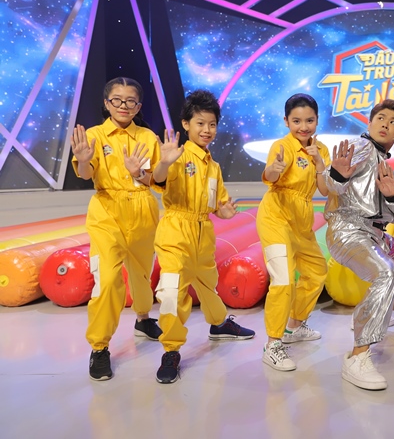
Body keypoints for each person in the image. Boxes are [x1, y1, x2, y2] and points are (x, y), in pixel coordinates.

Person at [151, 90, 255, 384]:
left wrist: (225, 212)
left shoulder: (214, 166)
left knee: (208, 283)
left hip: (203, 233)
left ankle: (219, 324)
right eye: (200, 123)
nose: (207, 130)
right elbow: (158, 178)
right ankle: (171, 350)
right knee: (172, 291)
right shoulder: (176, 156)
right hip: (175, 232)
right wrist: (164, 162)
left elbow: (218, 204)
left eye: (212, 124)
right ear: (185, 124)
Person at [71, 77, 163, 381]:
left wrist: (142, 174)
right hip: (106, 212)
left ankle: (143, 319)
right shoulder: (94, 136)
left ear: (138, 105)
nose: (124, 106)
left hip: (143, 210)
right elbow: (86, 174)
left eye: (130, 101)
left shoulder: (148, 137)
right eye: (117, 100)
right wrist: (83, 160)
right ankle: (99, 347)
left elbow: (157, 180)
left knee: (142, 273)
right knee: (108, 281)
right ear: (106, 103)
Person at [324, 99, 394, 390]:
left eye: (393, 122)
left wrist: (393, 195)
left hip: (373, 233)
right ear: (370, 122)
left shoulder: (382, 161)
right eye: (381, 118)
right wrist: (336, 173)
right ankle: (358, 357)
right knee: (386, 272)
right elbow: (328, 184)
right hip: (349, 229)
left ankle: (372, 311)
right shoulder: (361, 146)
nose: (385, 124)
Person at [257, 93, 331, 371]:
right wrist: (273, 169)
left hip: (302, 220)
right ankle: (272, 344)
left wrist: (320, 164)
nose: (303, 126)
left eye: (309, 120)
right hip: (276, 217)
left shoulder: (321, 149)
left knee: (317, 271)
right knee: (283, 279)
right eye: (297, 121)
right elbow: (271, 177)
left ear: (317, 120)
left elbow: (325, 190)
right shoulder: (282, 146)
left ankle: (293, 327)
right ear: (286, 121)